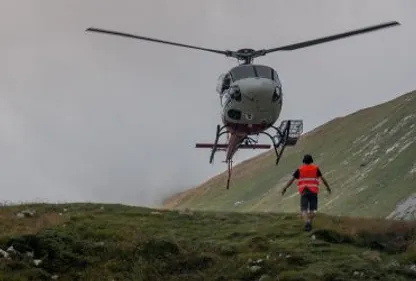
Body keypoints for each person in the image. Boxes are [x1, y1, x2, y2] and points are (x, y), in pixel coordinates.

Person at [281, 154, 331, 231]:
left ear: (304, 161)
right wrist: (328, 187)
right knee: (313, 209)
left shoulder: (300, 169)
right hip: (313, 191)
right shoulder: (315, 169)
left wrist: (285, 188)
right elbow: (323, 179)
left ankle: (307, 222)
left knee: (304, 209)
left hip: (304, 190)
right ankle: (309, 224)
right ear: (311, 161)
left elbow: (291, 180)